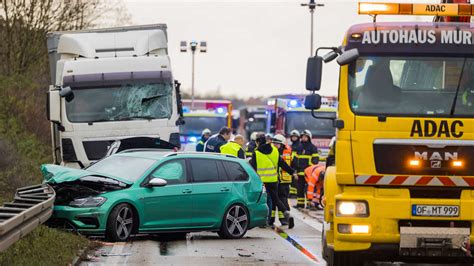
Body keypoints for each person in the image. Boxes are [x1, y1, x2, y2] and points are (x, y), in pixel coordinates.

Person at [250, 134, 296, 227]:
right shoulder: (274, 150)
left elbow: (253, 168)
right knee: (276, 199)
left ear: (258, 142)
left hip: (262, 181)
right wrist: (292, 172)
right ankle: (287, 214)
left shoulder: (256, 152)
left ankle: (265, 221)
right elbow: (282, 163)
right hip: (274, 180)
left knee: (263, 201)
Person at [292, 129, 319, 209]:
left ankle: (309, 204)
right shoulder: (299, 147)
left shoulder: (313, 148)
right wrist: (295, 171)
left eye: (305, 137)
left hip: (309, 174)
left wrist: (310, 168)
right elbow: (295, 160)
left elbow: (315, 160)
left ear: (309, 138)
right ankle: (300, 204)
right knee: (299, 189)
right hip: (300, 173)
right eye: (302, 137)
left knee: (309, 189)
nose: (303, 138)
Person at [272, 134, 295, 227]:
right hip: (274, 179)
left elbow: (292, 164)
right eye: (274, 143)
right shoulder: (273, 152)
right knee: (273, 199)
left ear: (282, 144)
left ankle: (285, 219)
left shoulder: (288, 152)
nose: (275, 145)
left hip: (284, 180)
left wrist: (293, 173)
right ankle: (271, 219)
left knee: (283, 199)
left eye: (277, 144)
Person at [289, 129, 301, 197]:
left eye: (295, 137)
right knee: (291, 179)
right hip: (291, 165)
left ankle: (294, 193)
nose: (294, 138)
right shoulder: (291, 146)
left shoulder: (299, 146)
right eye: (292, 137)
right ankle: (291, 193)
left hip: (297, 165)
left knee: (295, 180)